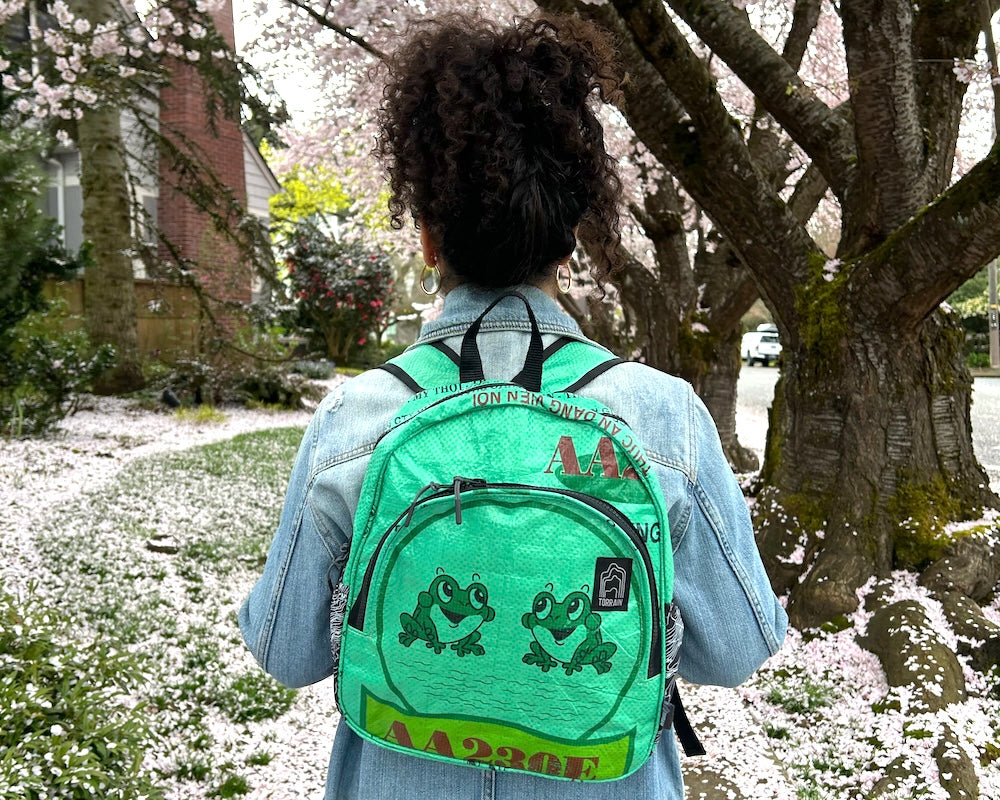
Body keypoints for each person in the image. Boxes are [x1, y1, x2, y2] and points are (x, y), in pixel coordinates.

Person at [239, 12, 787, 800]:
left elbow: (286, 652)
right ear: (572, 237)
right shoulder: (662, 418)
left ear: (426, 237)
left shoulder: (355, 420)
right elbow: (736, 649)